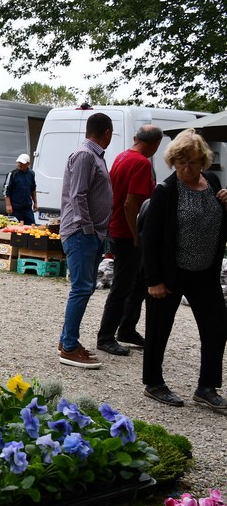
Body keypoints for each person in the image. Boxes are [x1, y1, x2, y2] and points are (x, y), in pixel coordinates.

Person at [141, 129, 227, 410]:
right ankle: (154, 383)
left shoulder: (212, 182)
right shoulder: (166, 190)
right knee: (158, 329)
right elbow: (150, 238)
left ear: (203, 161)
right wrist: (154, 280)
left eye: (192, 162)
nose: (186, 168)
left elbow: (217, 221)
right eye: (181, 162)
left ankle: (207, 387)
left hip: (205, 272)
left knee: (217, 327)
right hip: (171, 273)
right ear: (173, 162)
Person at [95, 125, 162, 356]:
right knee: (122, 286)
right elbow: (130, 203)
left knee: (139, 282)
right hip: (127, 233)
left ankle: (127, 328)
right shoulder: (142, 163)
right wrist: (135, 235)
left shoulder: (122, 156)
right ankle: (106, 336)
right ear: (156, 144)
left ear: (136, 138)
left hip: (117, 227)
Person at [57, 112, 114, 368]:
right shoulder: (85, 155)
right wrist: (88, 228)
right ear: (107, 133)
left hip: (91, 234)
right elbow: (77, 195)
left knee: (85, 288)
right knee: (81, 289)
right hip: (82, 233)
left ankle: (67, 341)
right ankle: (69, 347)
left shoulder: (94, 155)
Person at [3, 153, 37, 224]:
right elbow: (6, 191)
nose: (19, 165)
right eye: (18, 163)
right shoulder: (12, 174)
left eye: (22, 163)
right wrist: (8, 205)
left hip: (27, 208)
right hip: (15, 208)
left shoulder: (31, 174)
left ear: (28, 164)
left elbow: (33, 189)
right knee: (15, 227)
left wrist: (35, 203)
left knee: (31, 226)